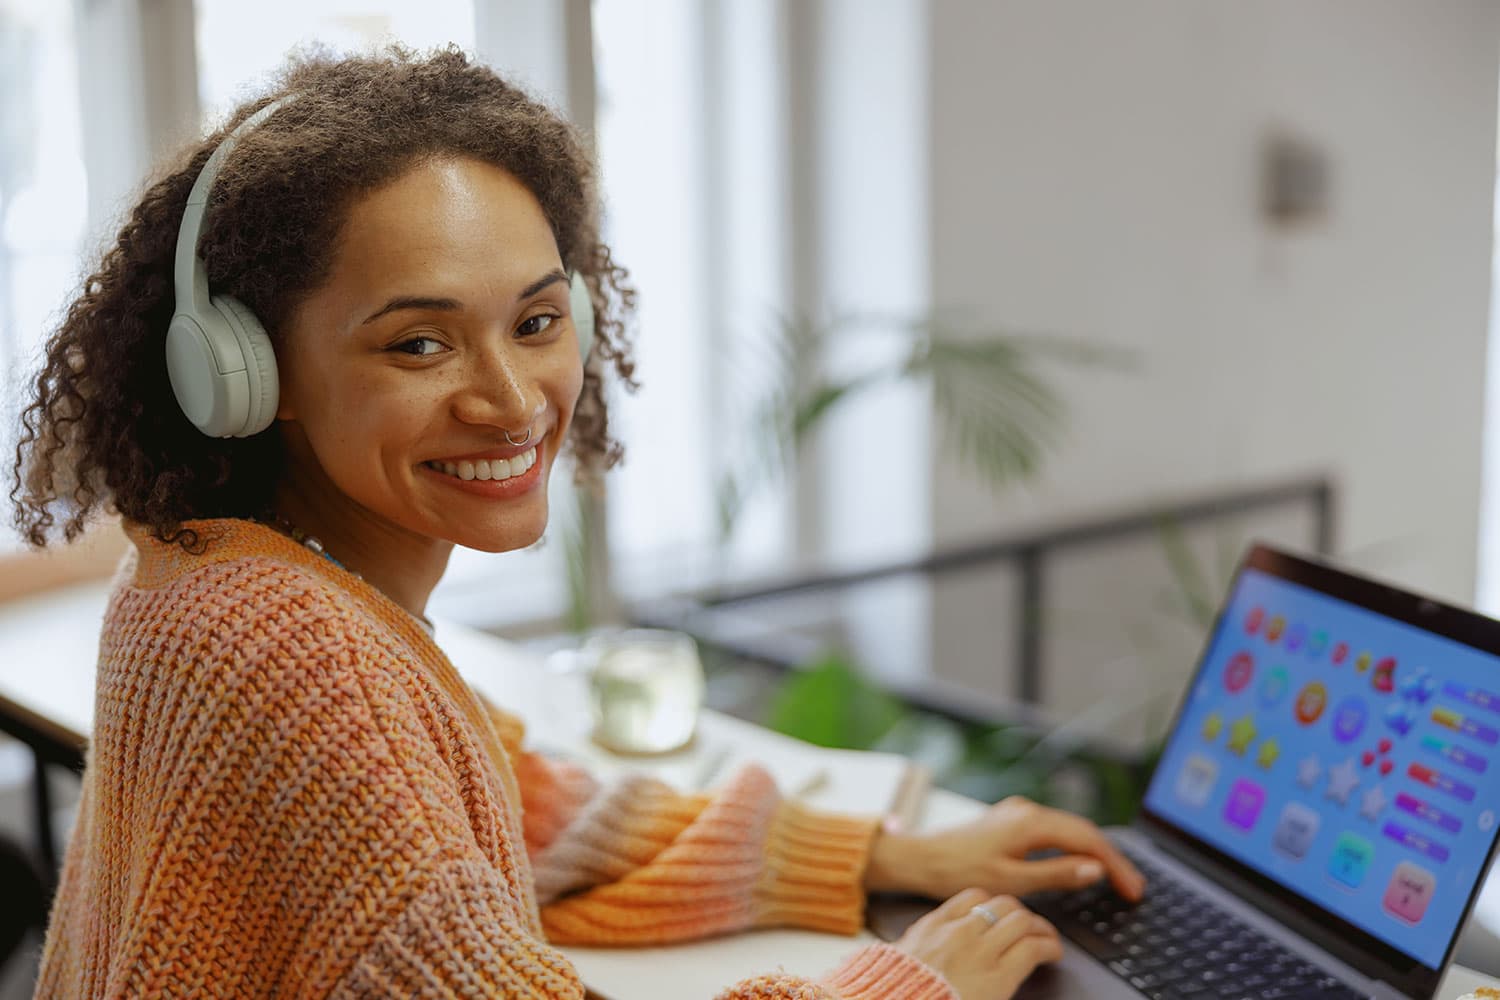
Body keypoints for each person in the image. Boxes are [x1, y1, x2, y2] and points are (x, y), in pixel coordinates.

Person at [9, 47, 1143, 1000]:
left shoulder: (214, 570)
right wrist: (913, 982)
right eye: (419, 342)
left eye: (538, 319)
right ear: (250, 373)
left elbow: (524, 811)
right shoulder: (289, 648)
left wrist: (886, 853)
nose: (510, 398)